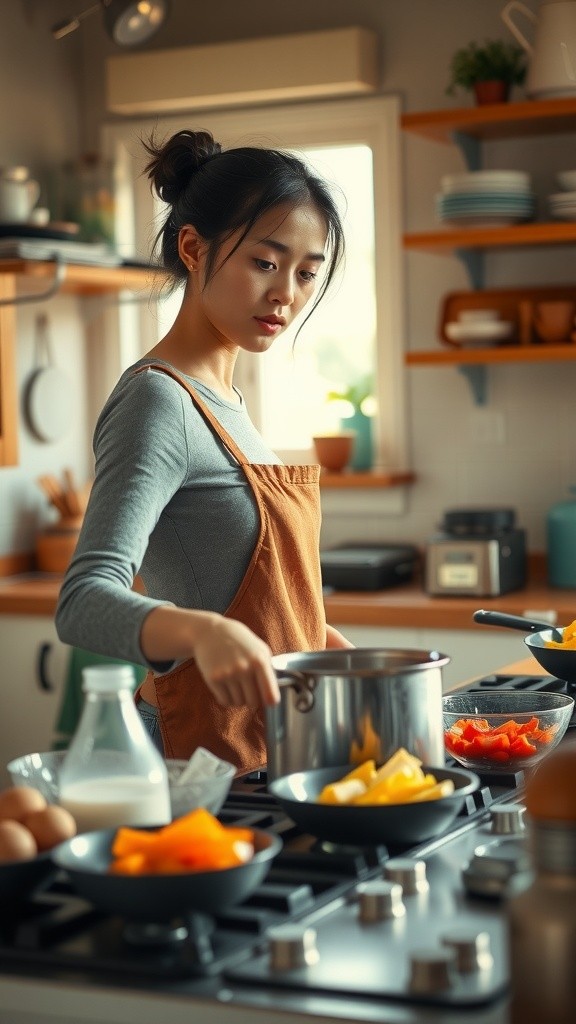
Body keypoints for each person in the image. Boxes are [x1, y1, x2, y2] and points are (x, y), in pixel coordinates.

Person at [55, 128, 353, 776]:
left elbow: (255, 599)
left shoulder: (228, 403)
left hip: (263, 744)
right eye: (264, 263)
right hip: (191, 756)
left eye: (306, 273)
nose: (286, 295)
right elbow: (82, 601)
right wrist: (202, 634)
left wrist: (333, 656)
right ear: (193, 248)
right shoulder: (158, 402)